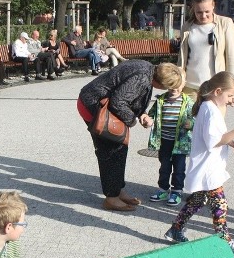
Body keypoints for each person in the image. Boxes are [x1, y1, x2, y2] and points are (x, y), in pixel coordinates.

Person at [163, 71, 234, 256]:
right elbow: (213, 140)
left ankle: (175, 229)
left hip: (207, 167)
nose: (232, 99)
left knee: (197, 201)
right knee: (220, 205)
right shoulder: (210, 110)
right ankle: (225, 241)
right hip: (208, 169)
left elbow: (215, 135)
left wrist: (231, 142)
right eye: (230, 95)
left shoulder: (209, 106)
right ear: (217, 91)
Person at [78, 61, 184, 211]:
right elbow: (118, 102)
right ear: (160, 83)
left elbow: (130, 97)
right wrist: (133, 120)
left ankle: (118, 189)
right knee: (110, 150)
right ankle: (111, 198)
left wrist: (142, 114)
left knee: (120, 147)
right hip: (94, 104)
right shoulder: (142, 77)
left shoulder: (149, 70)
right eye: (168, 87)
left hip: (102, 102)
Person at [147, 71, 194, 207]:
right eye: (171, 84)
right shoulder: (161, 100)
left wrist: (191, 123)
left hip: (181, 143)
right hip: (165, 141)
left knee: (179, 168)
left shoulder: (188, 102)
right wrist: (148, 119)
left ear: (184, 84)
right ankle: (163, 189)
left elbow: (196, 118)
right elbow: (152, 114)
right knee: (164, 167)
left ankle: (177, 191)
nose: (174, 87)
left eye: (178, 83)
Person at [179, 0, 234, 93]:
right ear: (193, 9)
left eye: (207, 11)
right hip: (189, 86)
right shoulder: (187, 26)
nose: (203, 16)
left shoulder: (225, 23)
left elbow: (232, 58)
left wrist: (231, 90)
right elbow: (182, 57)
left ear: (213, 5)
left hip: (215, 87)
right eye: (199, 12)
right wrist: (178, 82)